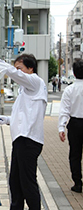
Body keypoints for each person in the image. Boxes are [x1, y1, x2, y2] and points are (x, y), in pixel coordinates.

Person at [0, 54, 47, 210]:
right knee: (15, 181)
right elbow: (25, 115)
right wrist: (7, 119)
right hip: (22, 140)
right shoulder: (26, 89)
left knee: (27, 182)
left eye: (20, 69)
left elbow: (13, 73)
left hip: (28, 141)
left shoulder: (36, 82)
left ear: (30, 69)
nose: (17, 72)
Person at [58, 59, 83, 193]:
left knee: (75, 154)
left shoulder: (69, 90)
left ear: (74, 72)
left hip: (75, 124)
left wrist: (61, 128)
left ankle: (77, 182)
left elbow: (64, 110)